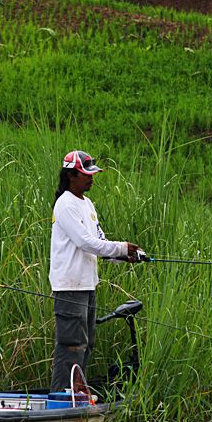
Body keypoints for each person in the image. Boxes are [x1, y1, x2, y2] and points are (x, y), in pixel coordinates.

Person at [49, 150, 141, 392]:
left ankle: (76, 394)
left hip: (87, 284)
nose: (91, 178)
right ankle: (60, 398)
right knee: (71, 345)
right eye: (85, 174)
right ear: (71, 175)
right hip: (69, 286)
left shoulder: (87, 204)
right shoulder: (65, 204)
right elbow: (85, 243)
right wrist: (121, 247)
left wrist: (125, 256)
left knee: (86, 344)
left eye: (92, 173)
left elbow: (98, 240)